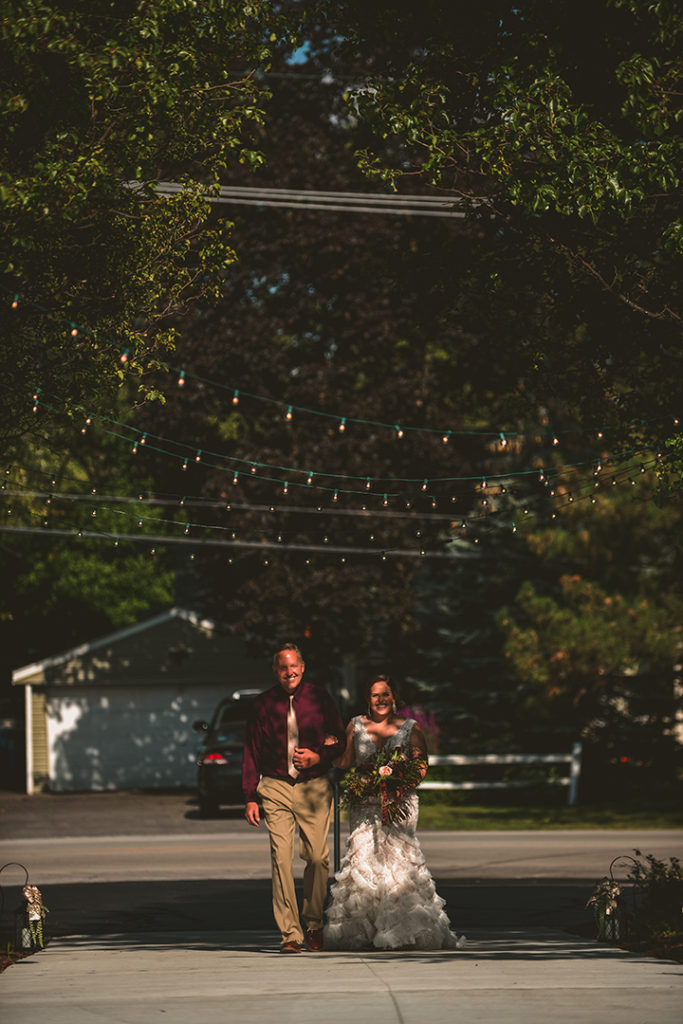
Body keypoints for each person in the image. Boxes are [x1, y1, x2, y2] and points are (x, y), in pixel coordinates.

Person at [323, 673, 464, 951]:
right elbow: (345, 761)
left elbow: (421, 766)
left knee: (400, 864)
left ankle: (404, 931)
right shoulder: (356, 725)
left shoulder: (410, 728)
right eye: (375, 695)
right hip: (364, 804)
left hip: (400, 804)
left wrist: (400, 787)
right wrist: (329, 748)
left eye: (385, 694)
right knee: (363, 862)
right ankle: (363, 932)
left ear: (394, 697)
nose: (381, 700)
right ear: (368, 699)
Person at [242, 642, 345, 954]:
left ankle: (314, 925)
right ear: (276, 671)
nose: (289, 672)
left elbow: (339, 740)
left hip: (313, 787)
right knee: (281, 859)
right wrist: (250, 796)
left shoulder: (319, 698)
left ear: (303, 667)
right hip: (274, 787)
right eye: (283, 667)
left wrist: (318, 756)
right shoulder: (262, 705)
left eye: (294, 666)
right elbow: (251, 751)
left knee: (317, 857)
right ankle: (290, 933)